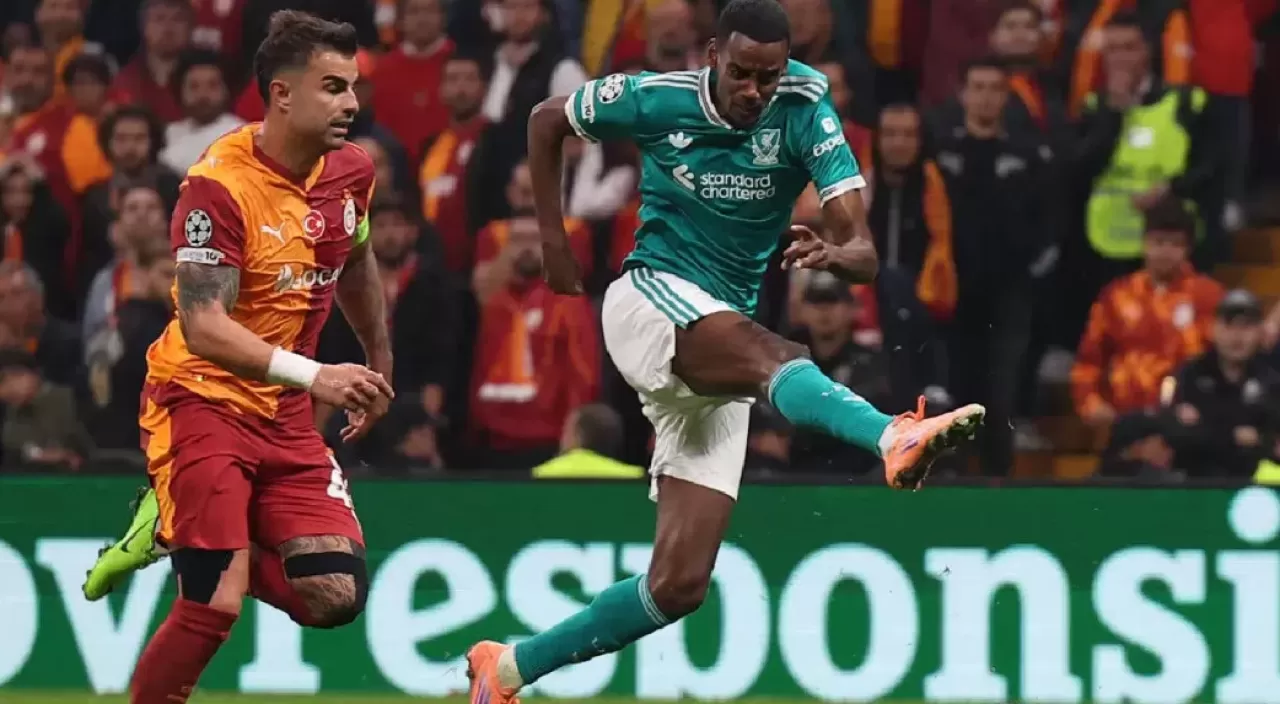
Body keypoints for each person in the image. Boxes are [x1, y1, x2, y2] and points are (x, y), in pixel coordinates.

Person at [461, 1, 986, 702]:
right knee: (777, 352)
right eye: (740, 72)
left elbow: (862, 250)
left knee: (677, 586)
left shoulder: (805, 107)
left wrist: (836, 254)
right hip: (650, 299)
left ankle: (506, 670)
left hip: (719, 346)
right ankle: (893, 435)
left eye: (768, 76)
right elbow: (545, 119)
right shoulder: (657, 97)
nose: (753, 90)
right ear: (712, 55)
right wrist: (555, 242)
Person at [78, 12, 395, 704]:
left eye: (352, 87)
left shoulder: (352, 172)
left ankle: (176, 525)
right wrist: (319, 375)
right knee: (215, 604)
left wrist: (378, 358)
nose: (351, 103)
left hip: (284, 417)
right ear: (281, 93)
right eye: (333, 87)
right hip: (201, 402)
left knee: (334, 594)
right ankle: (188, 526)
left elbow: (357, 258)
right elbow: (203, 326)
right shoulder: (218, 186)